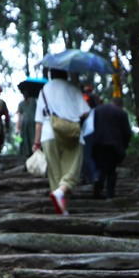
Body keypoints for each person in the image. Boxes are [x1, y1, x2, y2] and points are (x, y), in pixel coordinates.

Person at [33, 68, 90, 214]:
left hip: (48, 133)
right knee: (72, 167)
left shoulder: (44, 90)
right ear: (66, 74)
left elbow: (39, 121)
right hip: (72, 133)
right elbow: (85, 112)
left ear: (52, 74)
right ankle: (62, 192)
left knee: (55, 173)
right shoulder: (73, 88)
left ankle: (62, 210)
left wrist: (36, 143)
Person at [87, 95, 133, 200]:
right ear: (121, 105)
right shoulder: (121, 113)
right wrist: (124, 147)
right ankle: (110, 193)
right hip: (114, 145)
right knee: (111, 169)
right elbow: (126, 133)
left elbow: (89, 126)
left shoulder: (97, 110)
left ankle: (97, 179)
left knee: (99, 165)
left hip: (97, 143)